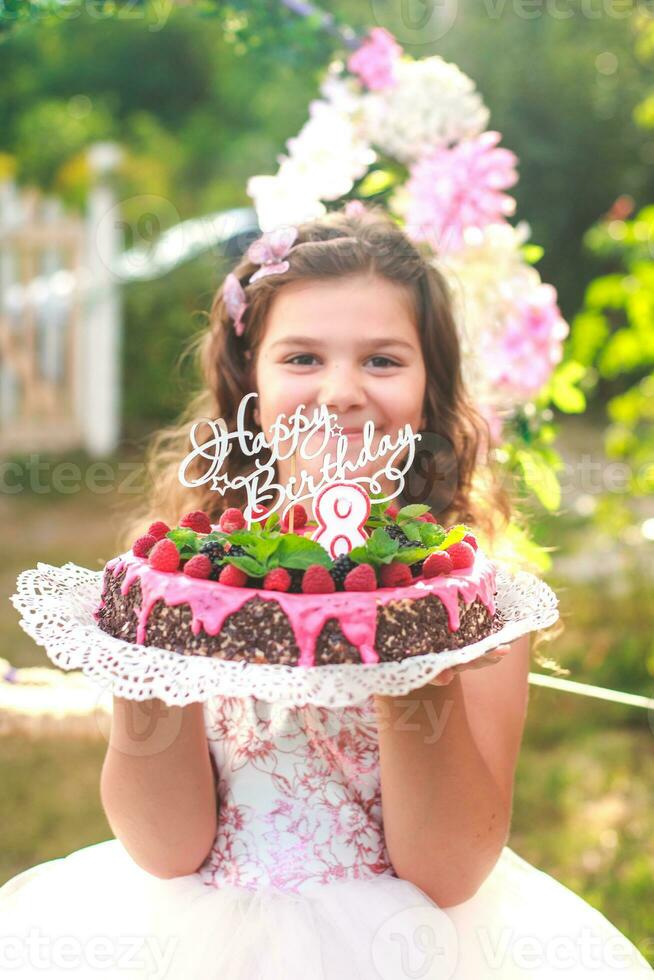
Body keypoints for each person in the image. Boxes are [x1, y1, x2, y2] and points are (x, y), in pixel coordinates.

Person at [1, 205, 651, 979]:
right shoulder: (186, 578)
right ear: (249, 378)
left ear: (430, 389)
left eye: (382, 361)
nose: (340, 391)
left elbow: (445, 871)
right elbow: (165, 846)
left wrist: (408, 648)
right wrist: (152, 660)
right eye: (302, 358)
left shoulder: (474, 602)